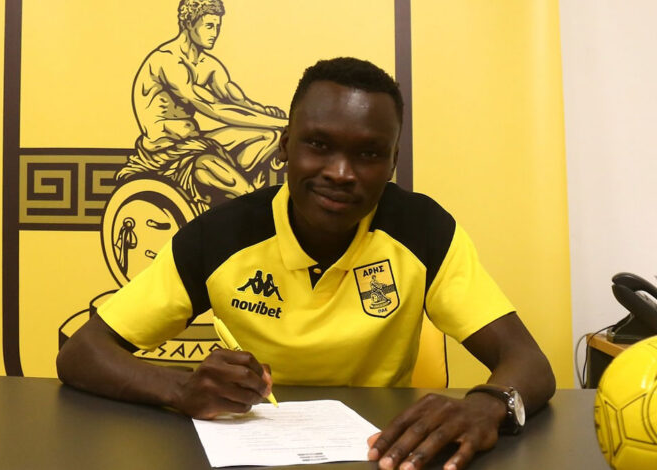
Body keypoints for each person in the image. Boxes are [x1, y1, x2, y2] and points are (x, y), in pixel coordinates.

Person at [57, 57, 555, 470]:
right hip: (249, 451)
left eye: (369, 154)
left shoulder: (423, 229)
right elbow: (82, 352)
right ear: (284, 146)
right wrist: (181, 387)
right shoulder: (220, 235)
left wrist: (488, 405)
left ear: (393, 162)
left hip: (381, 452)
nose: (341, 172)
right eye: (319, 144)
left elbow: (529, 363)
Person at [118, 0, 288, 203]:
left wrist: (272, 118)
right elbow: (214, 109)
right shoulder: (167, 60)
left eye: (217, 26)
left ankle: (238, 182)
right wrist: (284, 123)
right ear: (189, 24)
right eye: (209, 26)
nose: (215, 32)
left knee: (270, 137)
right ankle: (248, 195)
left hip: (197, 140)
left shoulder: (209, 65)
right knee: (208, 165)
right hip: (164, 152)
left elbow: (241, 103)